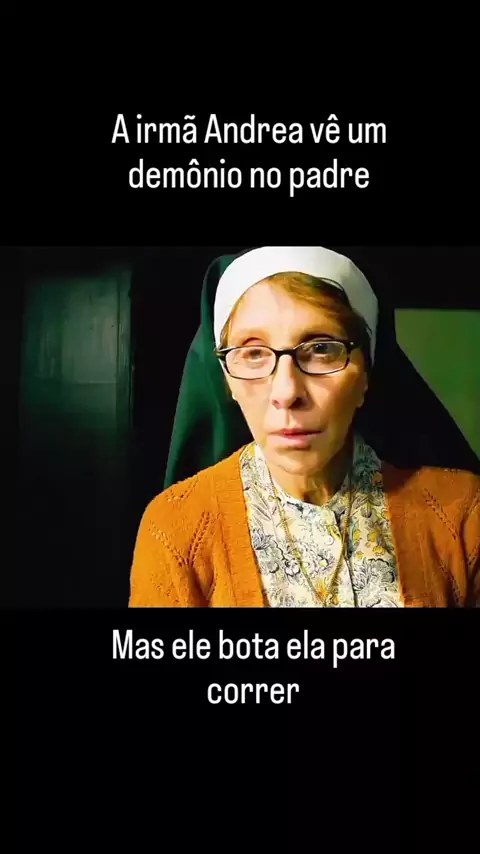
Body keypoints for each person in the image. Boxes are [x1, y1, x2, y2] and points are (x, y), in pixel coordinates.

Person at [129, 246, 480, 607]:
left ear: (366, 373)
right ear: (227, 381)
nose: (286, 392)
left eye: (321, 349)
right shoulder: (177, 530)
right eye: (253, 353)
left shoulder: (464, 514)